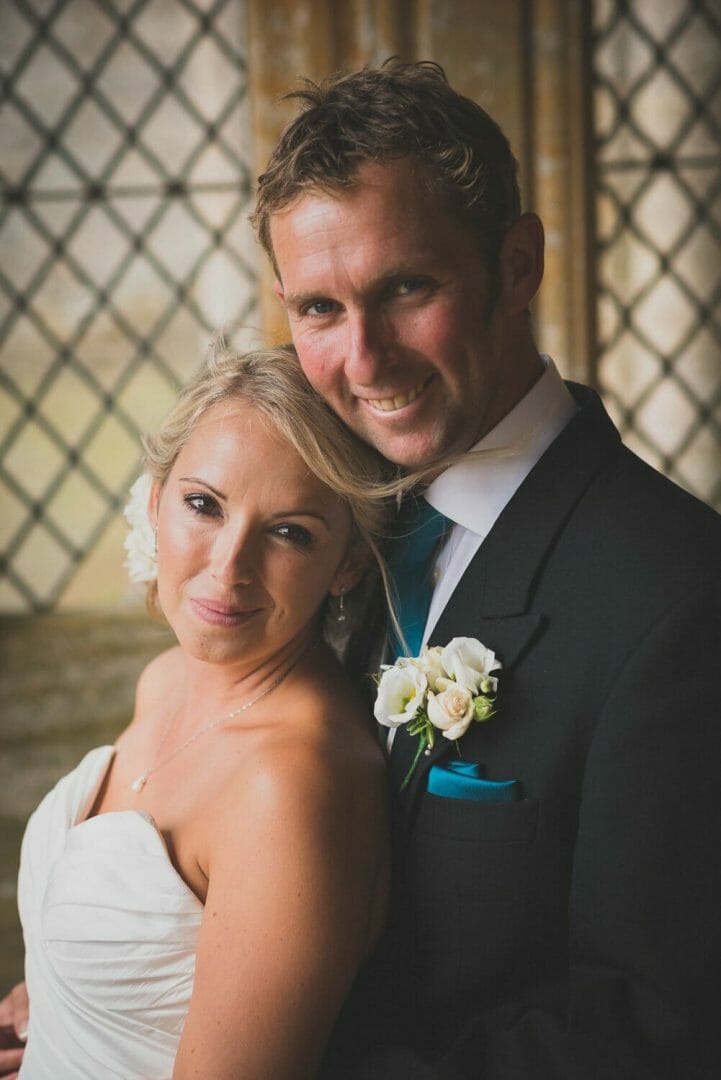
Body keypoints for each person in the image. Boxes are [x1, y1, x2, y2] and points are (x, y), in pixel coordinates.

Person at [250, 60, 721, 1078]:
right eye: (319, 309)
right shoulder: (323, 525)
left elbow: (654, 1029)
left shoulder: (681, 599)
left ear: (516, 266)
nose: (364, 361)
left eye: (405, 289)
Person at [7, 343, 393, 1079]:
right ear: (153, 501)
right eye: (202, 505)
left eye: (289, 532)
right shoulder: (165, 681)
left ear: (345, 562)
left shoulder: (290, 784)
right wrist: (64, 999)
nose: (227, 566)